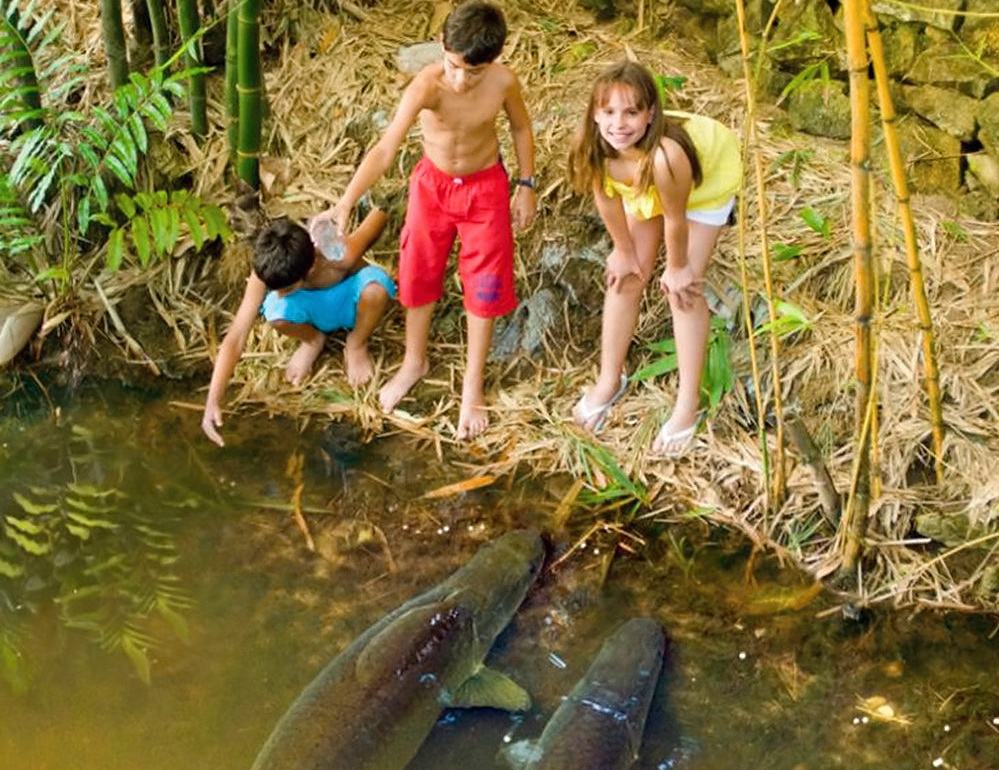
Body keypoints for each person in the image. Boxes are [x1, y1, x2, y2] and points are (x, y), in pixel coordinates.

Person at [314, 1, 536, 439]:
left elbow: (522, 129)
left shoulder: (503, 83)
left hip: (484, 189)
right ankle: (415, 360)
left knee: (485, 282)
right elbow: (385, 149)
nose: (460, 79)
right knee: (418, 272)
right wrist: (344, 203)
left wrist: (525, 186)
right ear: (441, 47)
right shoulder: (426, 86)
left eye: (472, 72)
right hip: (431, 187)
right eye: (453, 66)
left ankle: (472, 387)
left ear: (492, 60)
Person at [567, 60, 741, 456]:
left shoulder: (666, 156)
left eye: (632, 112)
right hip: (645, 183)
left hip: (700, 187)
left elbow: (674, 219)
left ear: (650, 115)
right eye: (609, 112)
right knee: (626, 276)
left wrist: (677, 268)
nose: (619, 124)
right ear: (595, 114)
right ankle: (610, 380)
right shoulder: (597, 147)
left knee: (684, 291)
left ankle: (686, 406)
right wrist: (624, 251)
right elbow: (606, 197)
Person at [200, 208, 395, 447]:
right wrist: (212, 400)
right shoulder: (270, 266)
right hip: (312, 310)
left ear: (310, 270)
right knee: (276, 311)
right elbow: (237, 335)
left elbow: (378, 218)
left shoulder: (338, 255)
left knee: (377, 287)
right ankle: (313, 340)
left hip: (346, 302)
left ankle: (356, 344)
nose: (280, 294)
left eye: (286, 288)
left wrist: (364, 205)